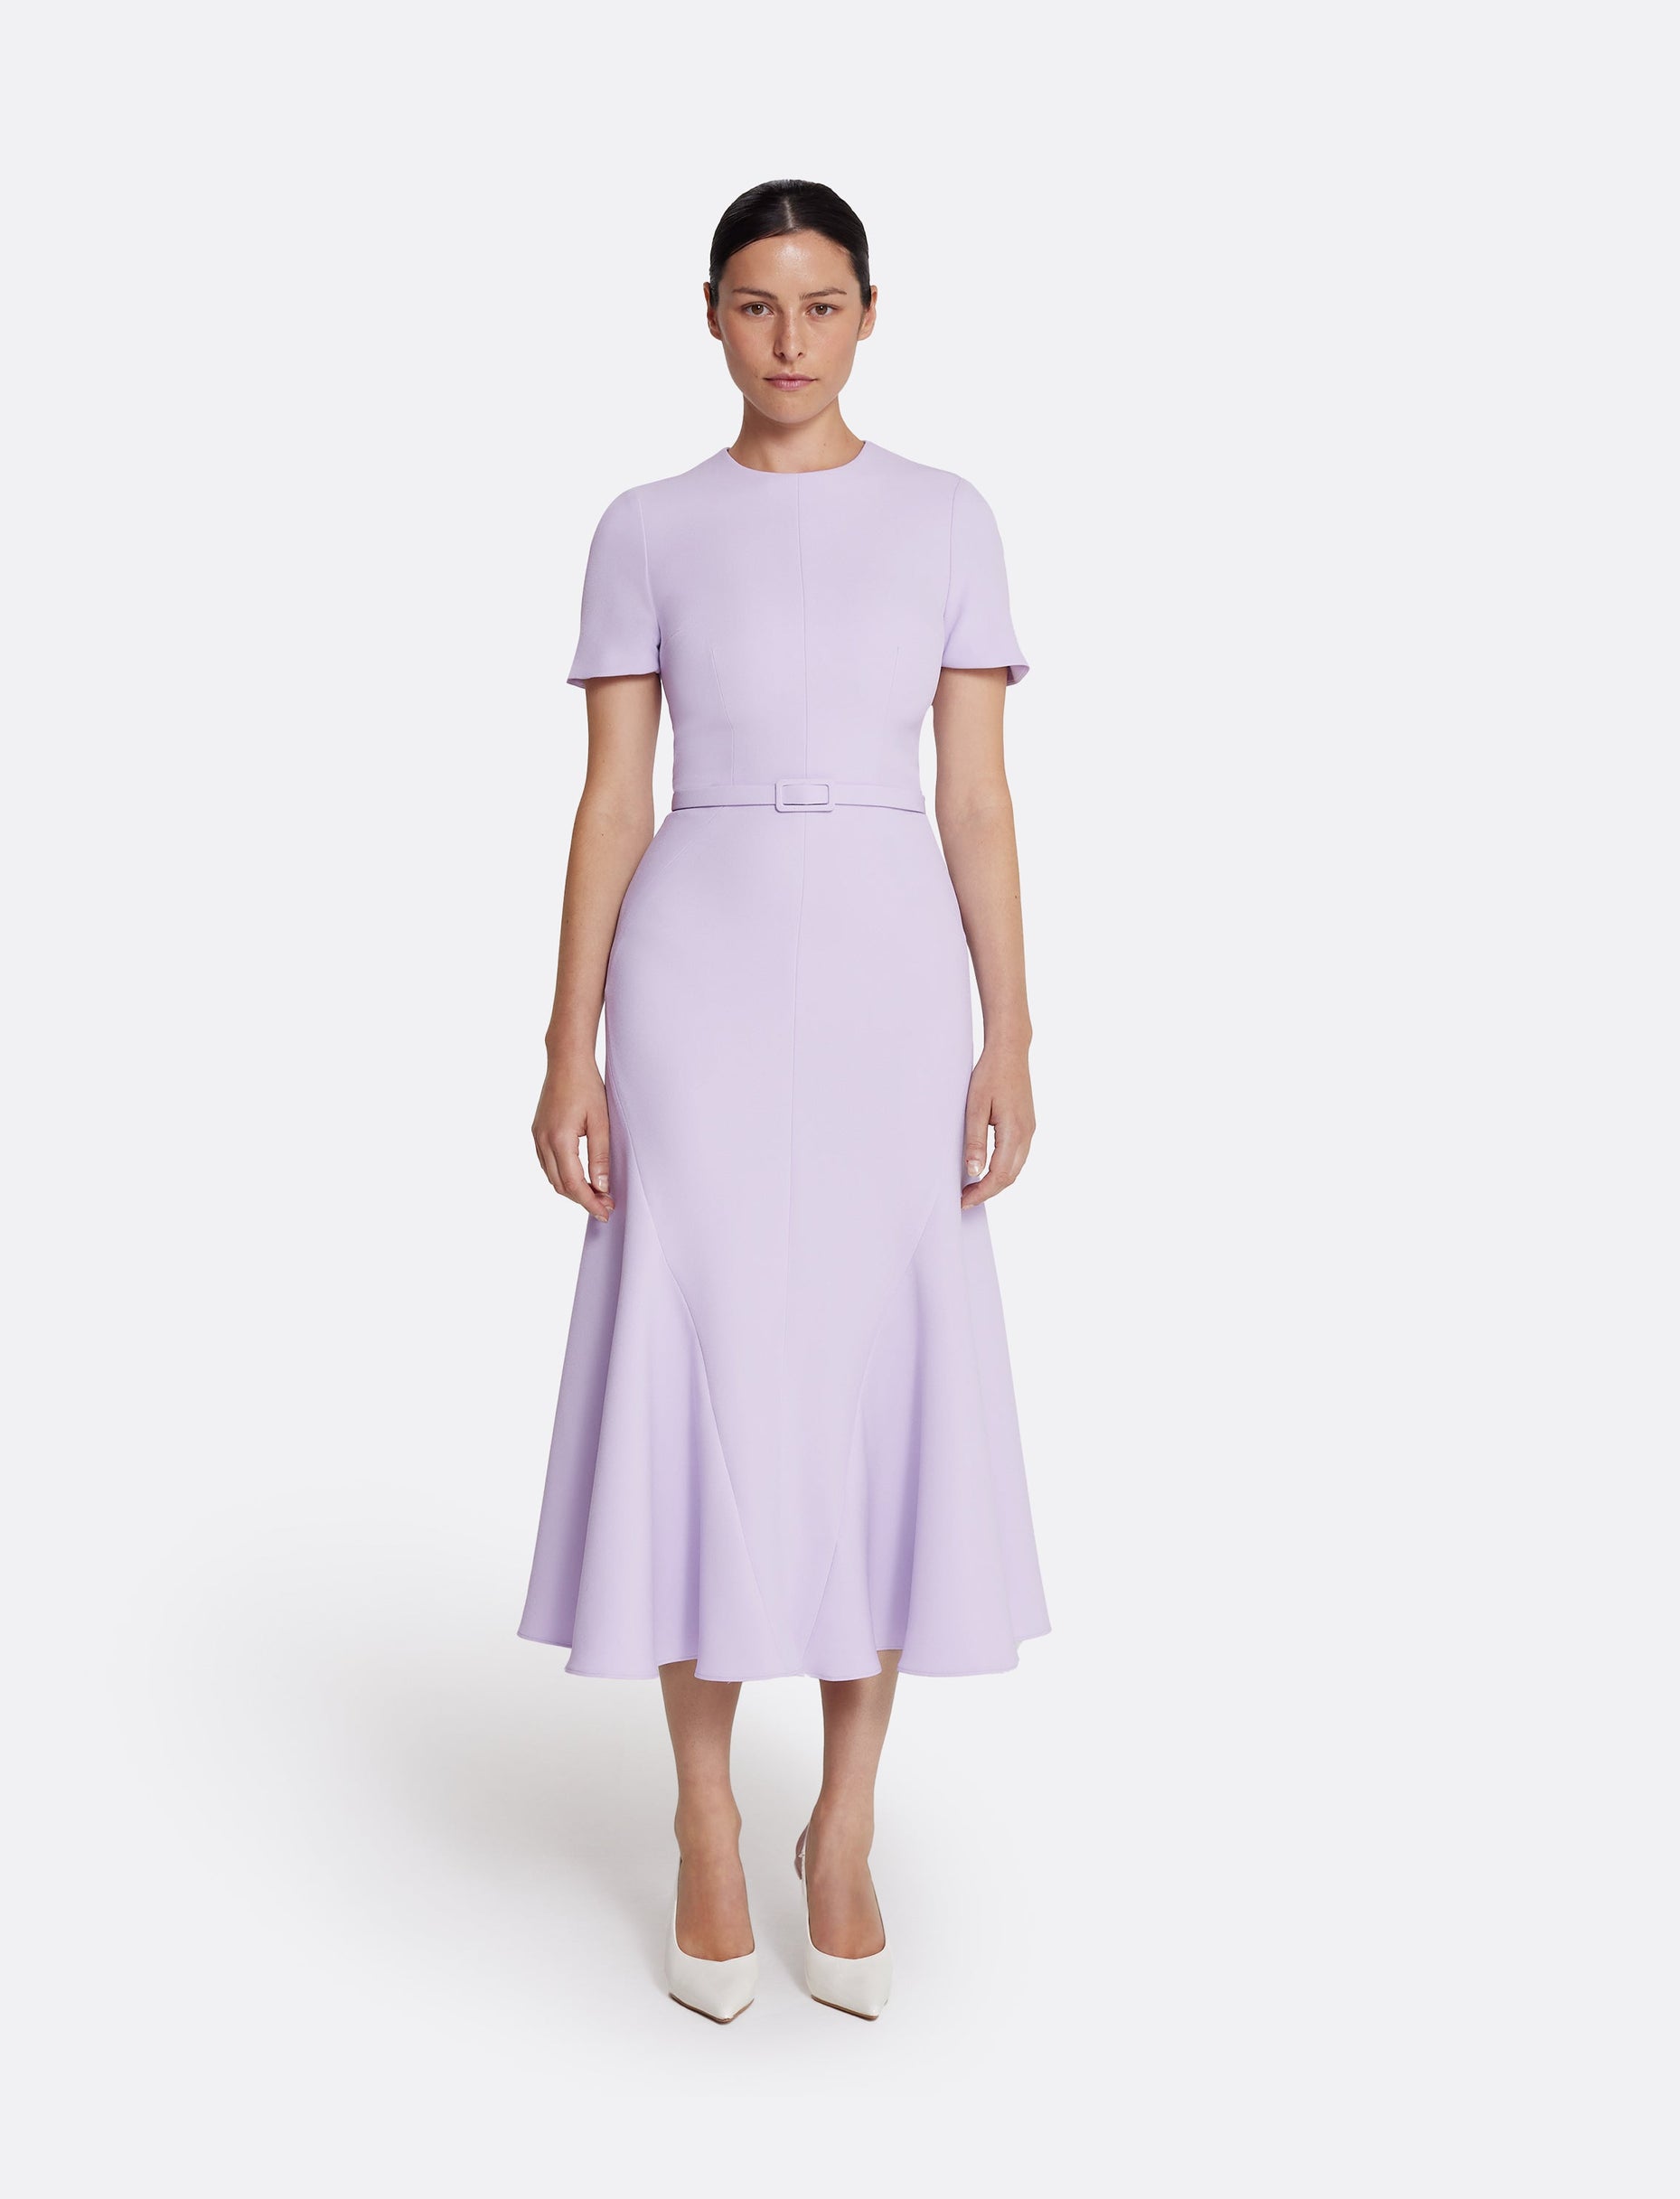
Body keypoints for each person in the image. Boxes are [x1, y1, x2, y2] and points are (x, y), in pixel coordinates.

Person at [519, 179, 1049, 2023]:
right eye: (758, 303)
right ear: (711, 315)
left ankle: (843, 1820)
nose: (791, 338)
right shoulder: (646, 526)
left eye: (822, 303)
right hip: (698, 970)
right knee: (705, 1370)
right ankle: (701, 1817)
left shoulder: (948, 516)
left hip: (891, 966)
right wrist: (566, 1041)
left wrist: (1011, 1031)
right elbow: (612, 794)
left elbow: (975, 793)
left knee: (871, 1377)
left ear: (869, 315)